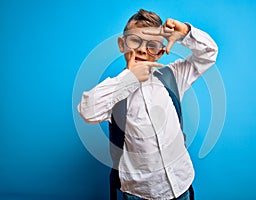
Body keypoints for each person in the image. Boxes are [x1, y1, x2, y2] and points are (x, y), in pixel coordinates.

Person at [77, 8, 218, 200]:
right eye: (135, 41)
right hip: (139, 193)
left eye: (151, 45)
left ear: (160, 52)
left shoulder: (173, 76)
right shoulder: (114, 89)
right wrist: (130, 79)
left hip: (182, 184)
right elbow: (87, 111)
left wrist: (185, 31)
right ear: (122, 44)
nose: (143, 50)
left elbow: (209, 52)